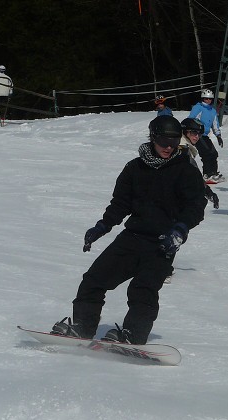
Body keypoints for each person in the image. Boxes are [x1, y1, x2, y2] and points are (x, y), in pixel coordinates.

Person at [50, 116, 207, 344]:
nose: (168, 146)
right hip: (132, 237)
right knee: (93, 280)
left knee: (142, 290)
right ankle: (83, 327)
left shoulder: (185, 171)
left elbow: (195, 207)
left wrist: (180, 230)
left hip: (163, 242)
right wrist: (102, 226)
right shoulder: (134, 168)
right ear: (153, 137)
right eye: (163, 140)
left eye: (173, 141)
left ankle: (133, 335)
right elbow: (120, 204)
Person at [180, 117, 220, 209]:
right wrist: (207, 191)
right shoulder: (182, 149)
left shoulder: (184, 146)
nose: (197, 137)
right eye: (194, 133)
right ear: (185, 132)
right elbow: (194, 173)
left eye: (199, 134)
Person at [188, 88, 224, 183]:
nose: (208, 101)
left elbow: (215, 123)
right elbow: (191, 119)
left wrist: (218, 135)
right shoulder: (198, 107)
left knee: (213, 153)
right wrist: (192, 132)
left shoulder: (212, 110)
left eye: (210, 99)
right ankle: (207, 174)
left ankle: (214, 173)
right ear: (202, 99)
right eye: (206, 99)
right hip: (197, 134)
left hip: (205, 135)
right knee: (206, 153)